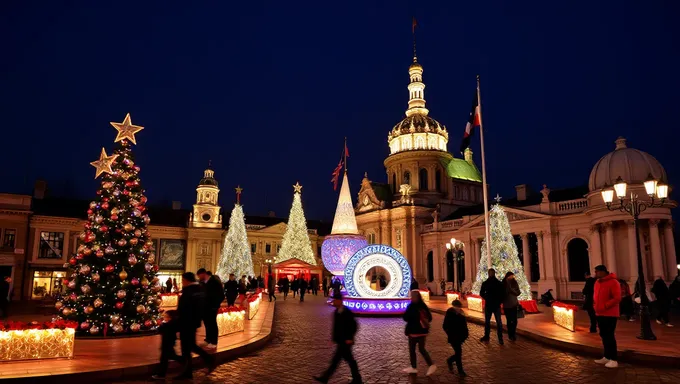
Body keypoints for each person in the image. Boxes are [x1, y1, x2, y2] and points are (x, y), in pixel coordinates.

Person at [313, 292, 362, 384]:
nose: (333, 302)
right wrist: (334, 338)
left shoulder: (347, 312)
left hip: (346, 341)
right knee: (341, 361)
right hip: (341, 341)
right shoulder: (336, 312)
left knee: (345, 361)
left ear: (340, 301)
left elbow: (354, 325)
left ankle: (357, 379)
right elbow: (336, 327)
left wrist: (350, 338)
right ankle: (356, 378)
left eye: (335, 300)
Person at [176, 272, 215, 379]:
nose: (182, 282)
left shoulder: (189, 291)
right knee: (191, 345)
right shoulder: (199, 290)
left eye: (183, 280)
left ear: (187, 280)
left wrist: (179, 322)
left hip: (187, 322)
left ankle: (188, 372)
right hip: (193, 322)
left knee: (186, 348)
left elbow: (185, 308)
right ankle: (208, 360)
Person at [402, 290, 437, 376]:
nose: (411, 298)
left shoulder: (411, 306)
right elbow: (430, 318)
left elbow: (406, 317)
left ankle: (414, 367)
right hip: (422, 331)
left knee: (412, 349)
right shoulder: (423, 305)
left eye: (412, 296)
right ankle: (430, 365)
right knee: (421, 349)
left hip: (414, 332)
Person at [593, 265, 621, 369]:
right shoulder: (597, 282)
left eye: (597, 272)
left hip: (610, 314)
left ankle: (614, 359)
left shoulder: (614, 282)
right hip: (599, 313)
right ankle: (607, 356)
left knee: (609, 335)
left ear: (603, 272)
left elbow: (617, 298)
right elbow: (595, 296)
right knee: (603, 335)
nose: (595, 274)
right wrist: (595, 306)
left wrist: (605, 305)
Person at [151, 309, 183, 380]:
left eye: (166, 317)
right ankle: (184, 361)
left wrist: (162, 325)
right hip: (168, 343)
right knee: (171, 356)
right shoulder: (171, 324)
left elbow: (160, 330)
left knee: (164, 358)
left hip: (167, 343)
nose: (164, 318)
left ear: (170, 318)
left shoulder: (168, 325)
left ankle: (161, 374)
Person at [197, 269, 224, 349]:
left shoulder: (215, 281)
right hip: (205, 307)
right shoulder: (203, 282)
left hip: (212, 307)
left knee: (212, 324)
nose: (199, 277)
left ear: (203, 274)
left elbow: (221, 295)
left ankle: (214, 342)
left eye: (199, 276)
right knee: (207, 324)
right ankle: (208, 340)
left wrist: (215, 305)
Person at [443, 299, 468, 377]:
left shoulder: (462, 314)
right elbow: (445, 326)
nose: (458, 309)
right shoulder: (450, 314)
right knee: (458, 353)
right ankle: (460, 370)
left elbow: (464, 326)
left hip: (460, 337)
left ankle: (450, 360)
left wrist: (465, 336)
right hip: (453, 337)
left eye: (459, 307)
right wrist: (450, 334)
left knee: (458, 353)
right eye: (457, 307)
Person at [480, 268, 505, 345]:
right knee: (488, 322)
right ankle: (487, 336)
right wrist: (487, 298)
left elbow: (502, 294)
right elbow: (481, 293)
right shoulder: (486, 283)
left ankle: (500, 338)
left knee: (498, 322)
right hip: (490, 305)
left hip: (495, 305)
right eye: (490, 273)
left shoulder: (498, 283)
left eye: (491, 273)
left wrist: (499, 301)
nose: (490, 274)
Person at [502, 271, 521, 342]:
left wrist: (511, 290)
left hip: (514, 304)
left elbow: (518, 292)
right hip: (507, 305)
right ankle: (510, 335)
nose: (511, 277)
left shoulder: (514, 282)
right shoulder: (503, 283)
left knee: (514, 320)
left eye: (512, 276)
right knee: (509, 320)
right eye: (510, 276)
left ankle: (513, 333)